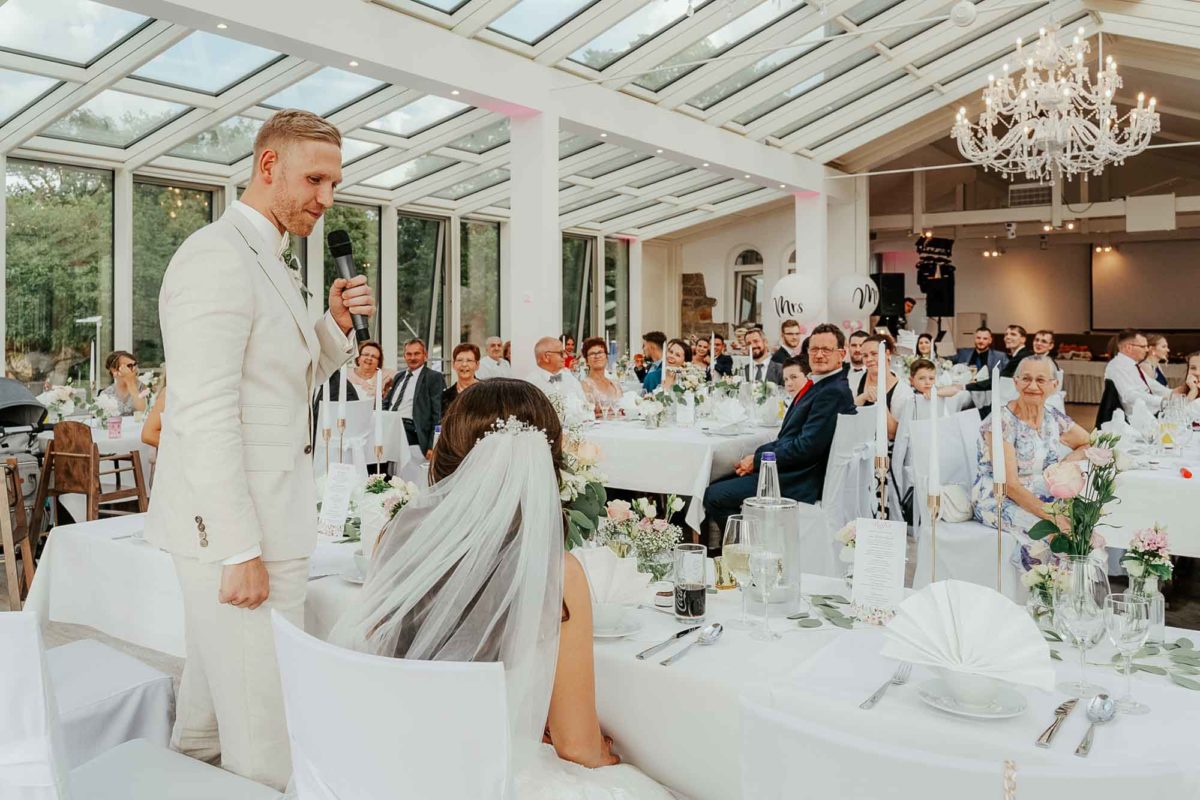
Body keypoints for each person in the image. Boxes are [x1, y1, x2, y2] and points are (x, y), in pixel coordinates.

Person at [146, 110, 374, 790]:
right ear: (267, 166)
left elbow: (276, 385)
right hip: (241, 536)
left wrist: (333, 328)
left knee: (210, 720)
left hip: (270, 521)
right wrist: (239, 548)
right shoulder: (216, 258)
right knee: (266, 732)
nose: (326, 198)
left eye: (334, 183)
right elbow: (203, 412)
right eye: (314, 179)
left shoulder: (269, 255)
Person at [330, 380, 674, 798]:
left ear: (450, 459)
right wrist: (602, 756)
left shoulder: (393, 537)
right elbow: (576, 744)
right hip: (482, 779)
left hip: (387, 764)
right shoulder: (557, 572)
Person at [703, 324, 854, 537]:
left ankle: (747, 549)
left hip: (797, 479)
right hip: (790, 470)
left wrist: (757, 461)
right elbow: (789, 438)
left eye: (826, 350)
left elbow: (806, 448)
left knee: (714, 494)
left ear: (842, 353)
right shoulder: (823, 385)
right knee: (718, 480)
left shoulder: (832, 391)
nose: (819, 355)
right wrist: (755, 458)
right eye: (814, 349)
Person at [972, 356, 1090, 572]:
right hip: (998, 498)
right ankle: (1041, 594)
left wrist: (1064, 465)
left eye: (1040, 380)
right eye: (1026, 379)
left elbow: (1087, 443)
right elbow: (1010, 486)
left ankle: (1072, 594)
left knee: (1085, 523)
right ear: (1015, 383)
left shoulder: (1053, 417)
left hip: (1040, 496)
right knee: (1050, 533)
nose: (1032, 386)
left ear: (1054, 386)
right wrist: (1053, 515)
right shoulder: (1000, 422)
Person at [383, 338, 443, 457]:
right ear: (404, 356)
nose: (412, 358)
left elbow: (438, 413)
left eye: (417, 354)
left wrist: (433, 444)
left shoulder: (433, 377)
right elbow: (387, 403)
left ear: (425, 356)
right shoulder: (399, 377)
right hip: (389, 424)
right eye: (409, 354)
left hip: (410, 428)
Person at [853, 334, 912, 441]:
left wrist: (880, 402)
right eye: (865, 355)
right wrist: (863, 397)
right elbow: (845, 414)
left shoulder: (902, 391)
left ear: (887, 353)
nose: (869, 359)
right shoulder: (856, 379)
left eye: (874, 354)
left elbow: (894, 434)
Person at [1104, 329, 1170, 417]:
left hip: (1148, 413)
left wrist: (1173, 394)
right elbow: (1129, 396)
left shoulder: (1131, 365)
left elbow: (1152, 385)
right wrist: (1161, 401)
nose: (1147, 350)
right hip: (1136, 419)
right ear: (1129, 348)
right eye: (1143, 347)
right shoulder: (1117, 366)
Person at [526, 336, 587, 406]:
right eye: (561, 353)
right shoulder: (530, 385)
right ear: (547, 357)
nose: (565, 356)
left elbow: (585, 405)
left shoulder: (570, 378)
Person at [580, 336, 621, 416]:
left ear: (606, 357)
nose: (597, 356)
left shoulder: (615, 384)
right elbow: (587, 414)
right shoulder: (584, 385)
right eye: (592, 353)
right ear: (586, 361)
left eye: (600, 352)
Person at [441, 342, 480, 414]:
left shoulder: (487, 391)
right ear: (453, 364)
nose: (464, 364)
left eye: (469, 360)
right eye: (459, 360)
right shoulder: (445, 396)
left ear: (477, 365)